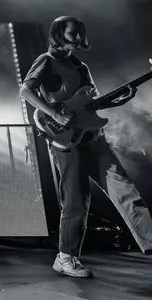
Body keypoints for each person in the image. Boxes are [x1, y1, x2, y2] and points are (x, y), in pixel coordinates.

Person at [20, 15, 151, 278]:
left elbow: (91, 105)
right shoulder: (47, 61)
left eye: (80, 32)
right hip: (66, 140)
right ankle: (65, 258)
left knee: (126, 192)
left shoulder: (81, 66)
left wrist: (121, 99)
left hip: (93, 138)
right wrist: (55, 115)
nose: (78, 38)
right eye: (72, 33)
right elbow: (26, 91)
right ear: (59, 34)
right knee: (77, 202)